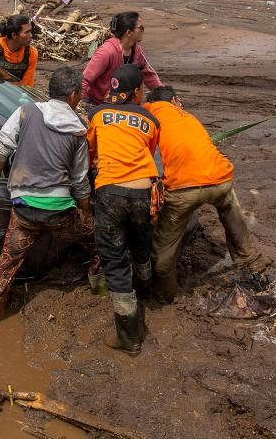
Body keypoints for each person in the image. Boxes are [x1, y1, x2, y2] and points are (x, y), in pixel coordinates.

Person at [0, 67, 106, 327]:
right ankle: (98, 287)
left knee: (8, 259)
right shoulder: (79, 131)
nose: (80, 98)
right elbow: (80, 182)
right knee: (101, 239)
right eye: (79, 94)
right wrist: (85, 213)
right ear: (72, 96)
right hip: (60, 212)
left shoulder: (27, 111)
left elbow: (2, 146)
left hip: (24, 208)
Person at [144, 86, 263, 305]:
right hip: (221, 181)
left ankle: (164, 297)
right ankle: (256, 274)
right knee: (234, 222)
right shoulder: (189, 117)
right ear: (176, 101)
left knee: (163, 253)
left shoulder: (149, 114)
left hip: (184, 190)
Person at [86, 65, 161, 355]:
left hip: (110, 191)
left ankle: (129, 337)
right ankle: (146, 293)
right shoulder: (150, 119)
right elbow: (149, 151)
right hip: (144, 192)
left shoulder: (96, 114)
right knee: (142, 244)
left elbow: (89, 153)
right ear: (137, 92)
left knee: (115, 261)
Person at [81, 11, 163, 107]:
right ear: (129, 32)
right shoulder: (106, 52)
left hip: (121, 102)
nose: (143, 30)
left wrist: (165, 95)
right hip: (98, 103)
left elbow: (149, 75)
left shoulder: (137, 51)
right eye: (140, 28)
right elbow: (85, 80)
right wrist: (82, 104)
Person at [0, 14, 38, 87]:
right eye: (27, 32)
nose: (31, 35)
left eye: (30, 31)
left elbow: (27, 85)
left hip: (16, 94)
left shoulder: (32, 53)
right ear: (14, 35)